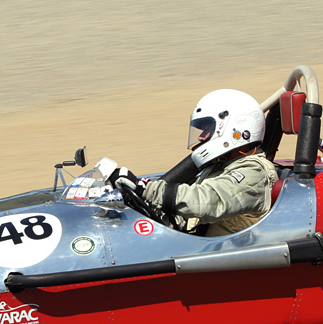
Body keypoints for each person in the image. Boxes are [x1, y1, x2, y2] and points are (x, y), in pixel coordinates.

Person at [109, 88, 279, 237]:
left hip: (220, 260)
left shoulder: (254, 172)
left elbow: (208, 201)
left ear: (235, 129)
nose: (201, 137)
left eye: (207, 129)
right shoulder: (218, 167)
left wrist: (147, 190)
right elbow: (190, 220)